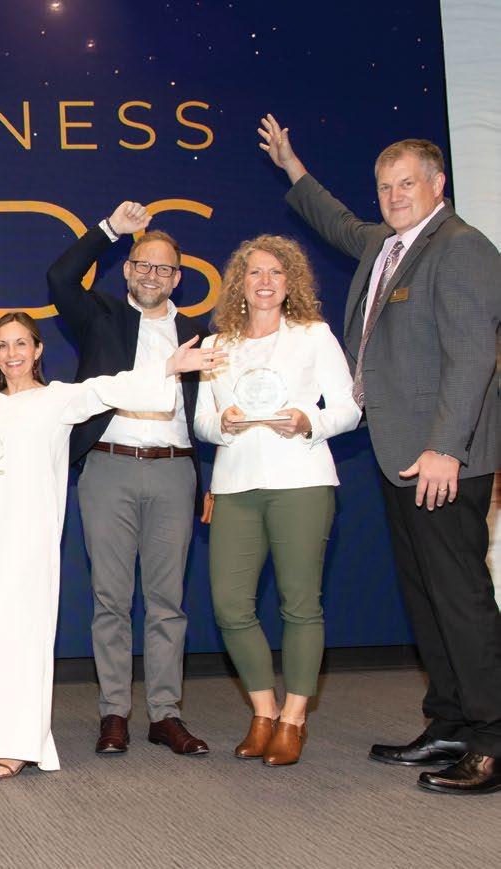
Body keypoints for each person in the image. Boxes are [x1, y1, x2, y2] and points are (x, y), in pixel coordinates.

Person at [261, 116, 501, 794]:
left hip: (442, 457)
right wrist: (292, 166)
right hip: (402, 454)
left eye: (407, 184)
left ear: (437, 185)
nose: (394, 196)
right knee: (426, 597)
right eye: (385, 186)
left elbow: (473, 357)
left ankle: (493, 738)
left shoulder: (461, 248)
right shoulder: (386, 244)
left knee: (461, 600)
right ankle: (449, 722)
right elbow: (336, 222)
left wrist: (446, 448)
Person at [0, 313, 221, 781]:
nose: (12, 354)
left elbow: (108, 389)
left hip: (28, 534)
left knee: (21, 634)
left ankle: (19, 744)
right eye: (2, 345)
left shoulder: (57, 399)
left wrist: (168, 367)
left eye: (21, 343)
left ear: (37, 349)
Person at [47, 201, 211, 757]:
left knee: (168, 602)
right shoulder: (101, 316)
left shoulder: (199, 336)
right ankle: (113, 712)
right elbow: (60, 277)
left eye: (164, 268)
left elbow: (209, 413)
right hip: (108, 468)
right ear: (128, 270)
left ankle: (165, 714)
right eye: (143, 264)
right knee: (111, 599)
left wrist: (210, 480)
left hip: (174, 472)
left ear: (178, 278)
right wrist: (111, 229)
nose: (152, 275)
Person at [194, 235, 360, 766]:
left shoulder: (314, 335)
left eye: (276, 273)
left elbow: (350, 408)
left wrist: (310, 420)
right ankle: (263, 711)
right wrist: (221, 424)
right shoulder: (217, 344)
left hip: (302, 481)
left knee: (300, 603)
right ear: (239, 284)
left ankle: (292, 719)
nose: (265, 281)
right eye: (255, 273)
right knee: (230, 605)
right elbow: (200, 421)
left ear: (291, 283)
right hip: (235, 485)